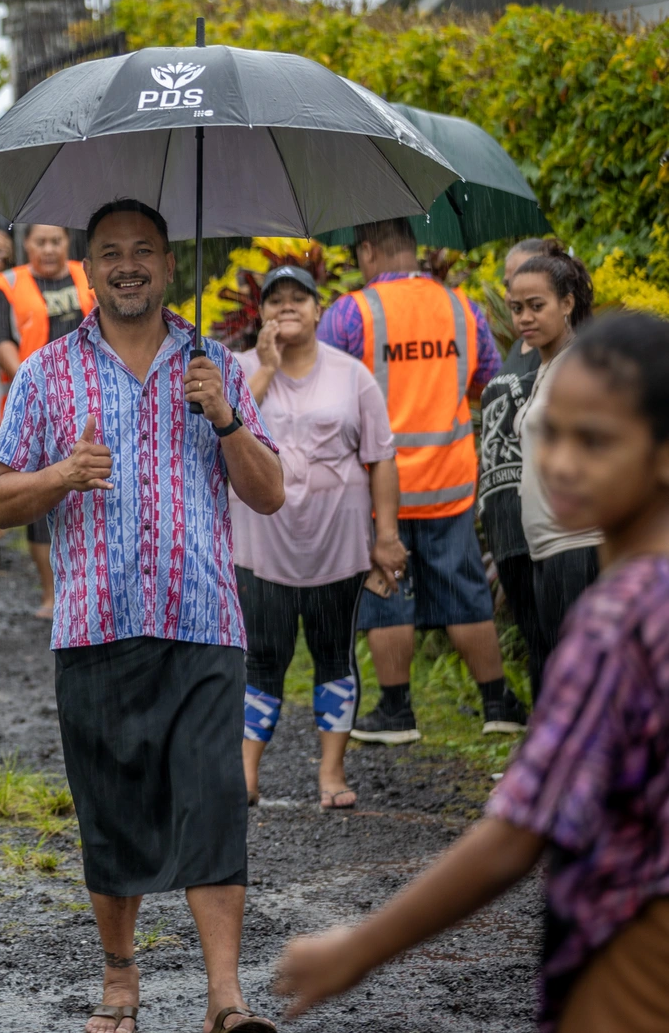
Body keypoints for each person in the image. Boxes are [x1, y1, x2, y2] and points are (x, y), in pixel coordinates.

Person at [275, 310, 669, 1033]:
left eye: (596, 440)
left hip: (631, 962)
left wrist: (358, 949)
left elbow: (518, 832)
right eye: (549, 433)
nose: (561, 462)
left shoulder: (622, 616)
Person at [0, 199, 285, 1033]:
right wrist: (60, 476)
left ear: (166, 264)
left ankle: (226, 1000)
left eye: (143, 251)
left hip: (203, 622)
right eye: (110, 252)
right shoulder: (48, 372)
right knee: (111, 812)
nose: (127, 266)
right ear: (86, 268)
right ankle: (121, 984)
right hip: (95, 626)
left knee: (213, 800)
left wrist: (223, 415)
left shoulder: (213, 365)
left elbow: (269, 492)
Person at [318, 216, 526, 743]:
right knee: (465, 591)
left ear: (367, 252)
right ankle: (498, 702)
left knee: (385, 589)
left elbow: (323, 393)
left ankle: (396, 711)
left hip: (376, 489)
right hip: (450, 482)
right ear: (413, 249)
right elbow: (487, 383)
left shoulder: (351, 313)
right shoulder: (462, 309)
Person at [232, 265, 402, 811]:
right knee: (262, 658)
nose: (287, 307)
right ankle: (246, 776)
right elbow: (224, 428)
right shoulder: (238, 370)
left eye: (298, 298)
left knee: (334, 654)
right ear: (261, 313)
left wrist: (388, 535)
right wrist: (264, 368)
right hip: (260, 544)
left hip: (338, 544)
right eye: (275, 299)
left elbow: (381, 457)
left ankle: (332, 773)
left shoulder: (352, 375)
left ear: (318, 309)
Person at [0, 223, 96, 618]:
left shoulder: (88, 274)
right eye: (41, 242)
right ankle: (52, 593)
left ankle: (89, 584)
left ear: (68, 244)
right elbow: (0, 340)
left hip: (91, 397)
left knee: (89, 487)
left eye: (56, 241)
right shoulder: (7, 283)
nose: (49, 249)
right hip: (39, 403)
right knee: (42, 489)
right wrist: (33, 384)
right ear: (26, 245)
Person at [511, 241, 601, 673]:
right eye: (515, 308)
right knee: (560, 667)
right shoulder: (546, 369)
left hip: (580, 544)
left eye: (535, 305)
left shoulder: (581, 366)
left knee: (581, 672)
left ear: (566, 303)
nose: (524, 318)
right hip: (547, 548)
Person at [478, 238, 549, 700]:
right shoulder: (521, 347)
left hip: (546, 524)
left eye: (530, 295)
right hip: (507, 525)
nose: (516, 300)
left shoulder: (565, 346)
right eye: (509, 290)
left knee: (559, 643)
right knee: (535, 642)